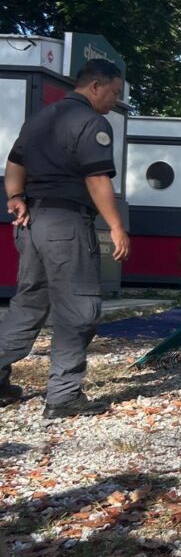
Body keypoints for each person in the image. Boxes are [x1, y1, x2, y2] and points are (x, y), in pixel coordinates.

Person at [0, 59, 131, 418]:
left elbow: (15, 163)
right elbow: (97, 179)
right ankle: (63, 395)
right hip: (66, 223)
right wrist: (116, 226)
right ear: (95, 86)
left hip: (31, 222)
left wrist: (14, 197)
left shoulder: (41, 118)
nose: (114, 100)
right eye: (113, 92)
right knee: (79, 307)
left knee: (28, 303)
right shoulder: (92, 122)